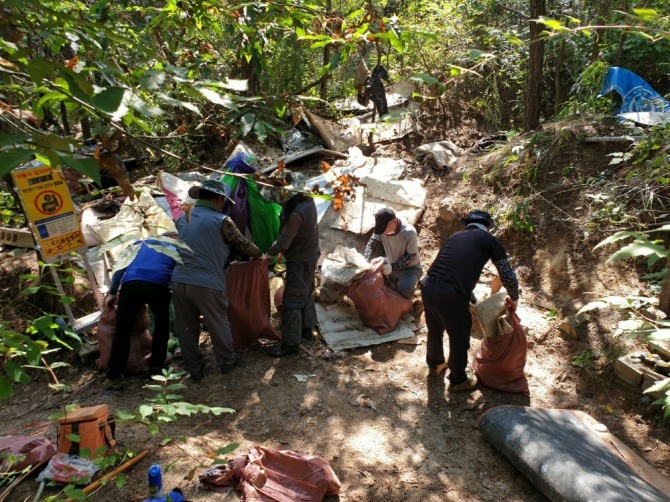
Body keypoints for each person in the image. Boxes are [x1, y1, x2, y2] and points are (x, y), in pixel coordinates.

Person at [172, 179, 262, 380]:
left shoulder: (182, 219)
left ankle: (194, 368)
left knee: (187, 326)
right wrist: (261, 254)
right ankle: (227, 361)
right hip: (206, 282)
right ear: (219, 199)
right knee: (218, 322)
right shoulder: (222, 221)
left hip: (179, 280)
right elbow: (243, 245)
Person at [421, 210, 520, 392]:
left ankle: (435, 365)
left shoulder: (455, 237)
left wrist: (472, 299)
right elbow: (507, 274)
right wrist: (514, 297)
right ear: (488, 226)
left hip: (428, 286)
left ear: (467, 225)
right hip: (450, 292)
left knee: (435, 328)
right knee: (459, 335)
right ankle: (458, 380)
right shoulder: (489, 240)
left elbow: (454, 269)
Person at [105, 236, 178, 389]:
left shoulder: (138, 243)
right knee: (161, 323)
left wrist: (112, 292)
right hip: (158, 284)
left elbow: (119, 268)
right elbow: (176, 275)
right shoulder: (174, 249)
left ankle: (114, 376)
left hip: (131, 283)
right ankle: (156, 366)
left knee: (123, 328)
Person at [264, 193, 320, 357]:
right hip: (310, 255)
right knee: (306, 291)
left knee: (292, 301)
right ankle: (307, 329)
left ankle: (290, 344)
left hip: (300, 259)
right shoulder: (308, 202)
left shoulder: (296, 213)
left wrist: (269, 253)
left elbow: (284, 241)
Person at [363, 207, 422, 299]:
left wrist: (392, 267)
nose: (383, 232)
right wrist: (365, 261)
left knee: (404, 290)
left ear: (394, 221)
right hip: (390, 262)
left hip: (410, 268)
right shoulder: (381, 228)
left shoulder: (409, 232)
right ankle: (392, 282)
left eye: (385, 228)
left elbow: (411, 256)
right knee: (373, 267)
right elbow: (371, 245)